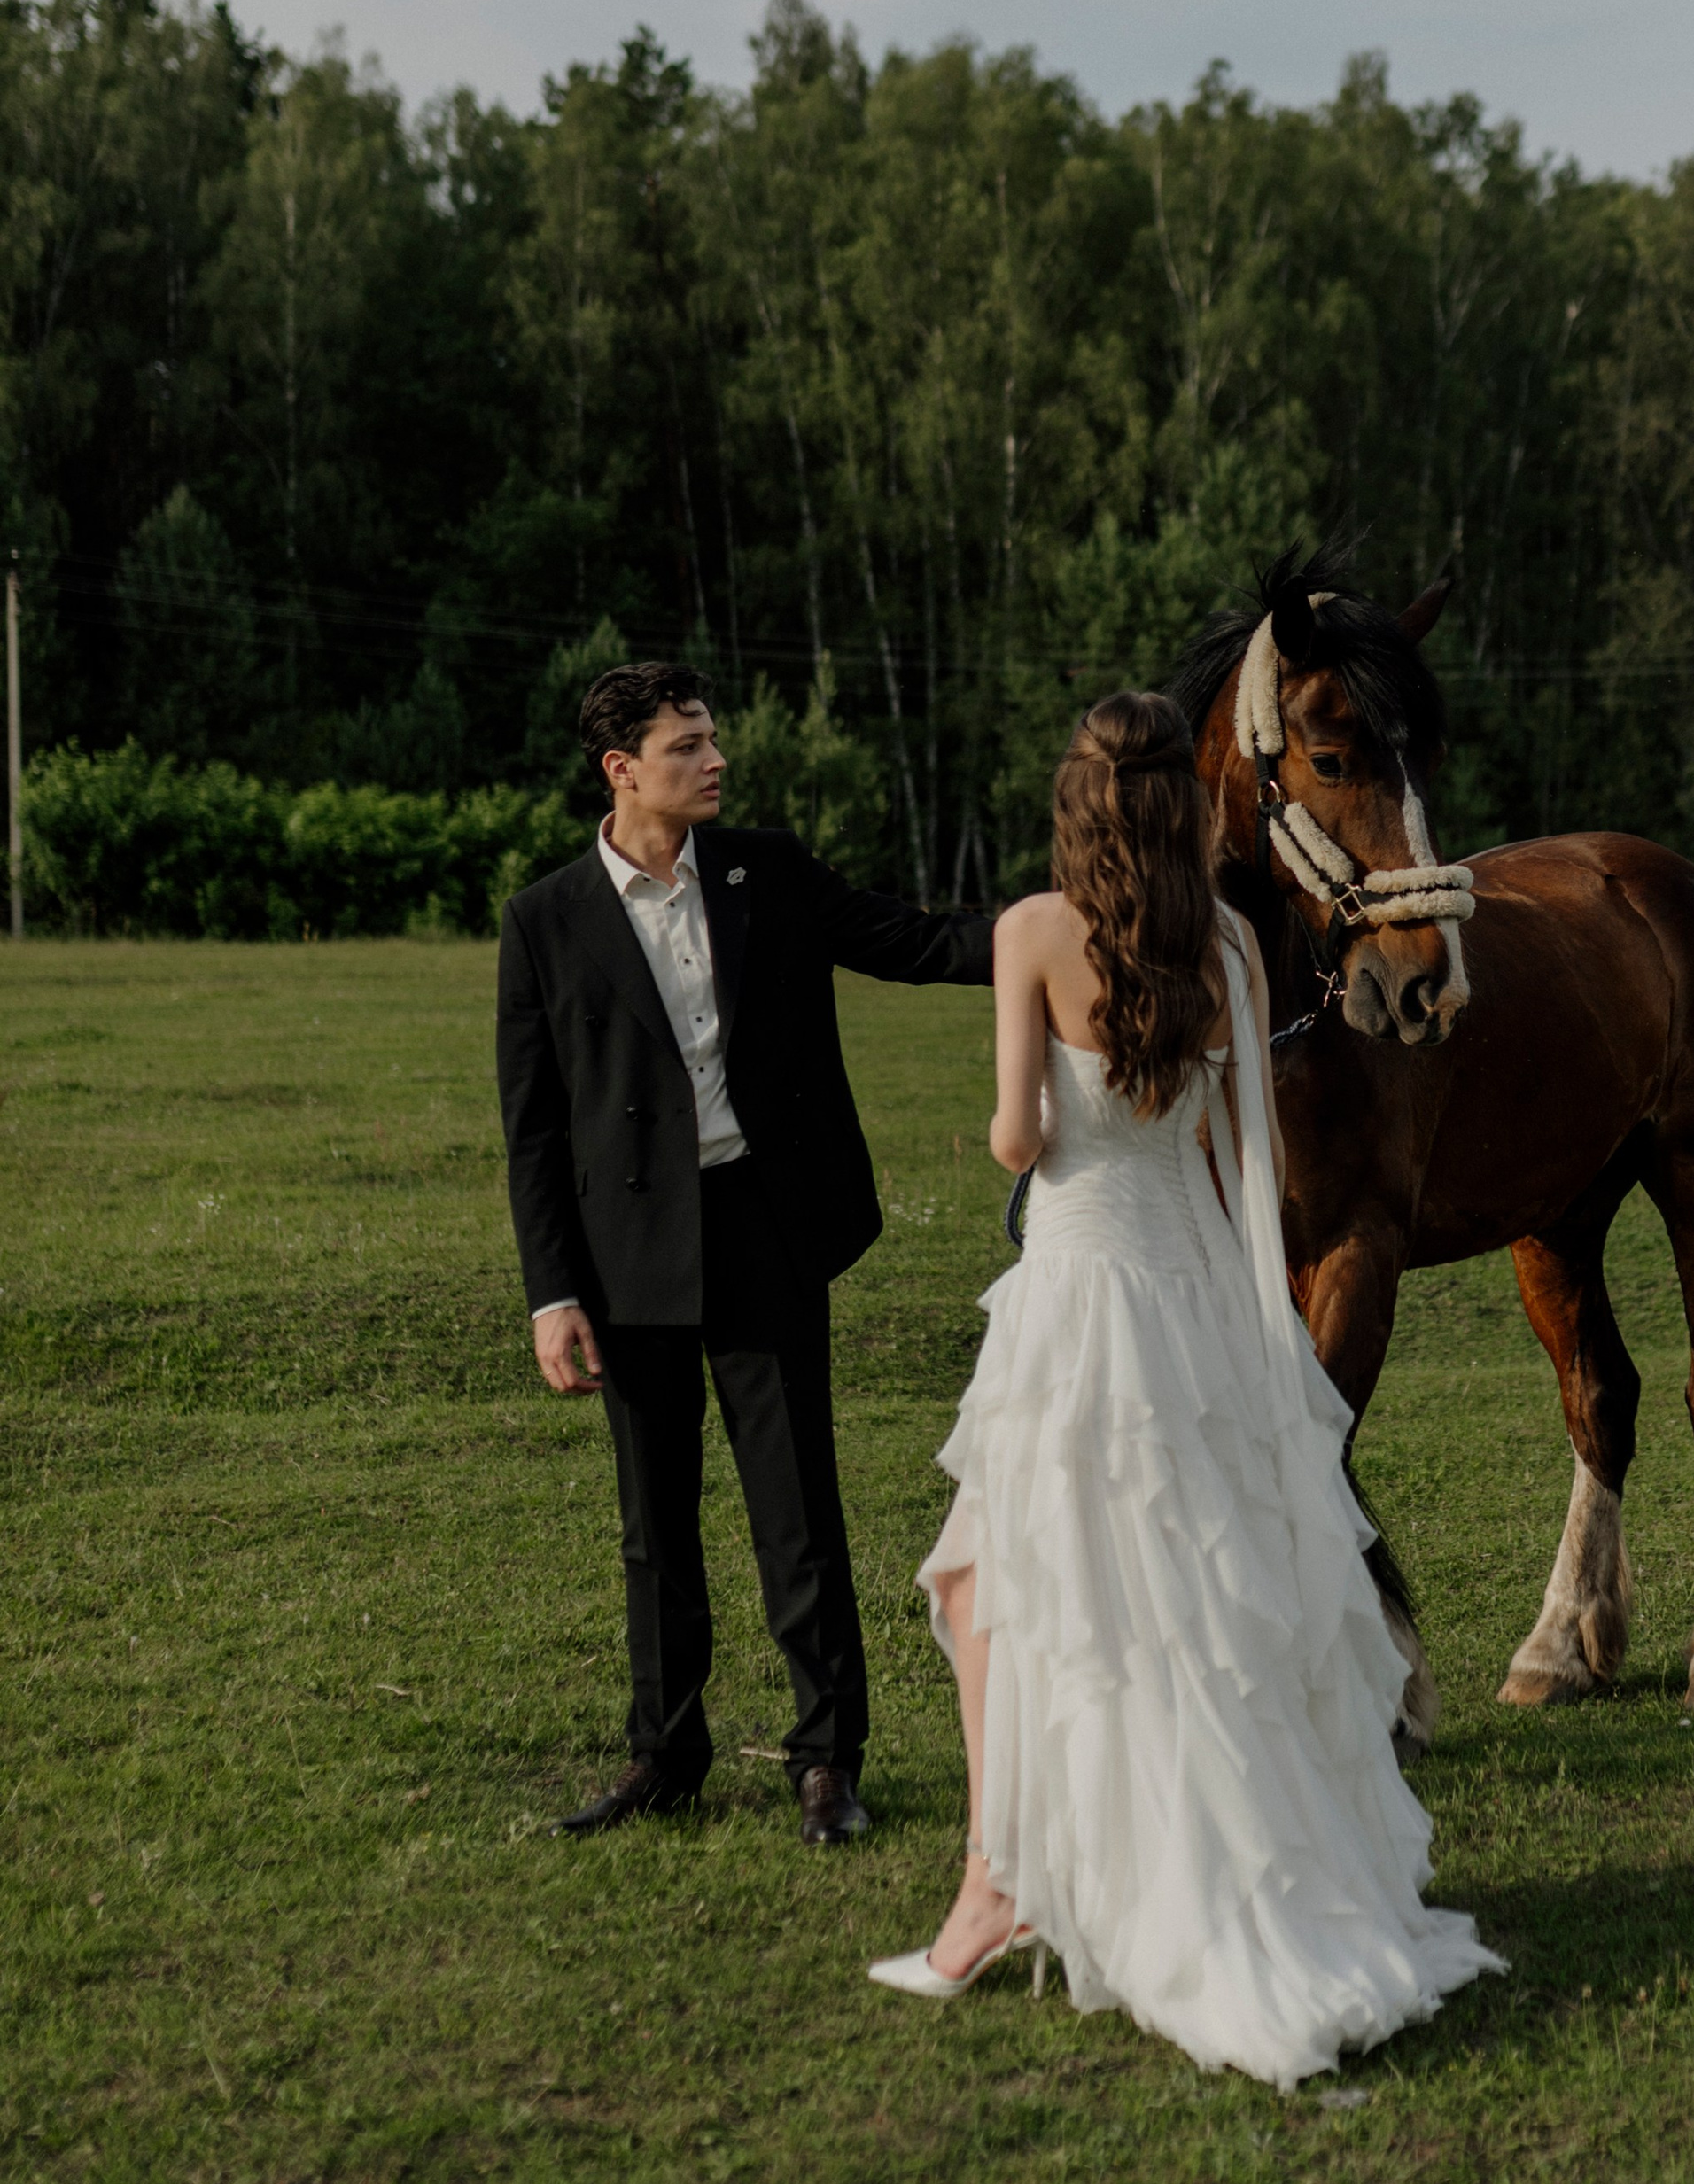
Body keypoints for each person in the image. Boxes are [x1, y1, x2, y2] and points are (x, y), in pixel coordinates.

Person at [868, 691, 1502, 2087]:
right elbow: (1245, 1151)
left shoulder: (1034, 933)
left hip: (1079, 1297)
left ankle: (1011, 1880)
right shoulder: (1229, 948)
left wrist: (1050, 1113)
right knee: (1178, 1604)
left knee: (1007, 1587)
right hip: (1197, 1299)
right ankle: (1074, 1873)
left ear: (1079, 804)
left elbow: (1016, 1141)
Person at [496, 660, 992, 1846]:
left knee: (798, 1506)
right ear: (622, 770)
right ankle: (665, 1757)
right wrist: (552, 1293)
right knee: (654, 1520)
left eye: (711, 739)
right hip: (628, 1254)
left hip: (765, 1226)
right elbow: (534, 1128)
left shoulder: (765, 869)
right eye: (688, 747)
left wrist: (1078, 922)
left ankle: (827, 1762)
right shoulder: (545, 919)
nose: (716, 760)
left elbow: (917, 942)